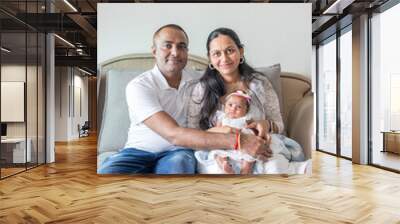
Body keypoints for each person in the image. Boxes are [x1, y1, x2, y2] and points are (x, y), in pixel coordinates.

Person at [98, 24, 272, 174]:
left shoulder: (198, 83)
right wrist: (238, 141)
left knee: (179, 166)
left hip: (178, 152)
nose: (175, 52)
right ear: (154, 51)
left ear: (187, 52)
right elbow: (173, 134)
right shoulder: (139, 86)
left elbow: (223, 101)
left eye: (181, 46)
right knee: (107, 173)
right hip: (138, 151)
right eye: (167, 45)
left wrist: (261, 124)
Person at [187, 27, 294, 173]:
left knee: (275, 168)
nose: (224, 58)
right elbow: (192, 134)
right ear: (210, 58)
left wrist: (267, 124)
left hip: (260, 146)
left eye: (229, 50)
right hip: (220, 150)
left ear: (241, 51)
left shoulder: (259, 83)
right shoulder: (202, 88)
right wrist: (222, 131)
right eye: (216, 53)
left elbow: (279, 124)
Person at [195, 90, 305, 174]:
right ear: (224, 106)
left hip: (247, 143)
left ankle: (245, 172)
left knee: (249, 158)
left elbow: (255, 129)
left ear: (245, 110)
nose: (233, 108)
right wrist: (223, 129)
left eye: (238, 107)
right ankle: (225, 166)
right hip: (225, 144)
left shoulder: (246, 119)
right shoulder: (222, 118)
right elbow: (212, 132)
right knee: (218, 154)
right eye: (230, 105)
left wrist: (262, 130)